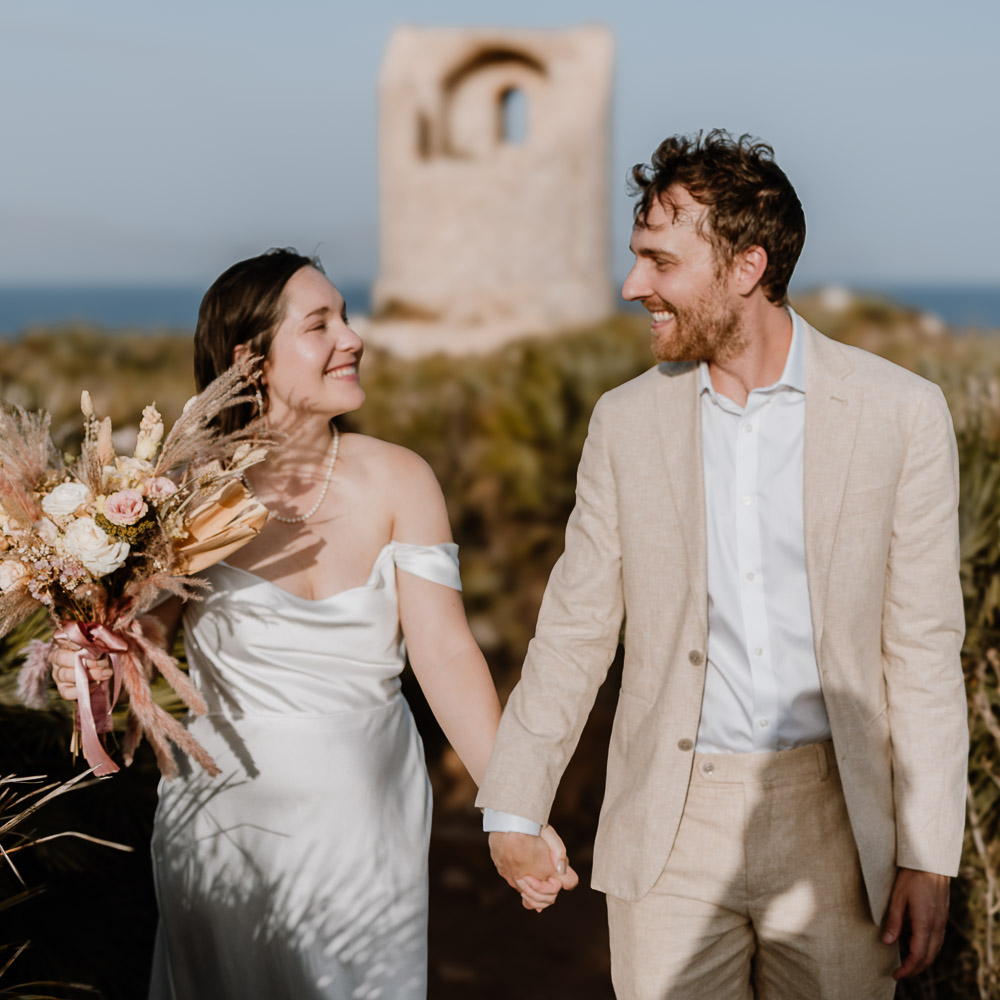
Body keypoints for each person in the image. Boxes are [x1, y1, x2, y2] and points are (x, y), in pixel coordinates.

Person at [477, 131, 968, 998]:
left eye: (660, 263)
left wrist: (930, 854)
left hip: (839, 825)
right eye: (636, 260)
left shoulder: (901, 414)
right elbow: (576, 628)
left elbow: (922, 651)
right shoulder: (625, 423)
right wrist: (515, 802)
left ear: (747, 266)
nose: (634, 287)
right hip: (669, 822)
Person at [49, 249, 576, 1000]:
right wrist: (91, 663)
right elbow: (141, 644)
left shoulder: (400, 478)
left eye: (347, 318)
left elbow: (447, 654)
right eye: (320, 324)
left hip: (368, 818)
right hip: (225, 822)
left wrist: (513, 809)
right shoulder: (190, 495)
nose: (352, 338)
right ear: (251, 360)